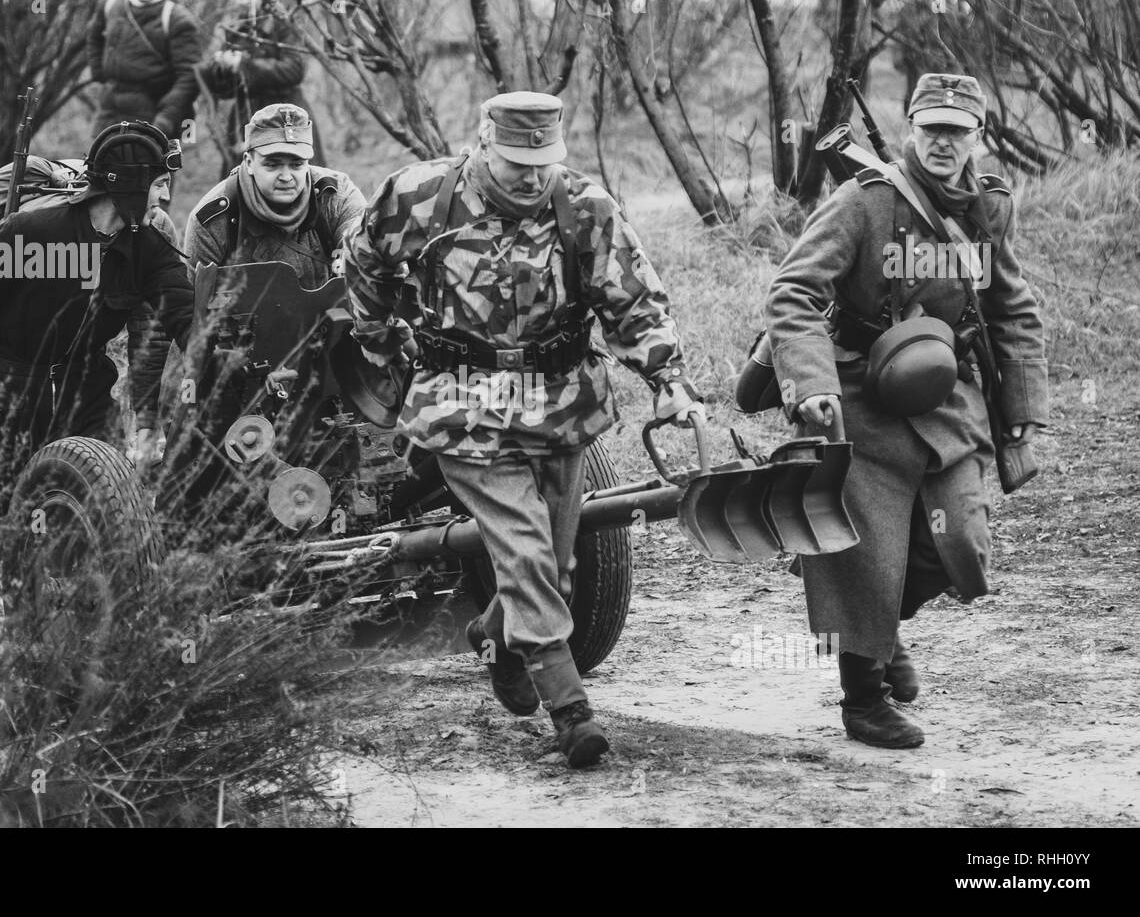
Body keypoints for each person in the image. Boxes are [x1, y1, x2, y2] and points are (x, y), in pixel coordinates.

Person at [344, 91, 706, 769]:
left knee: (556, 566)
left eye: (543, 162)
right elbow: (364, 261)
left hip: (560, 405)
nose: (532, 177)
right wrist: (383, 340)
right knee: (526, 551)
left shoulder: (583, 207)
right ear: (482, 142)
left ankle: (498, 635)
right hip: (463, 406)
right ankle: (571, 711)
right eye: (516, 163)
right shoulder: (421, 196)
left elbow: (633, 300)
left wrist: (671, 383)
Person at [764, 73, 1048, 748]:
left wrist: (1026, 410)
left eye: (957, 131)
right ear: (912, 128)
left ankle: (882, 633)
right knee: (866, 556)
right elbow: (793, 292)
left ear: (978, 136)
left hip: (944, 398)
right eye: (931, 129)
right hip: (858, 397)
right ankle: (863, 701)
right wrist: (812, 383)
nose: (943, 143)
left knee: (960, 549)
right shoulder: (864, 201)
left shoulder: (989, 208)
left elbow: (1013, 309)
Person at [0, 121, 194, 497]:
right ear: (129, 186)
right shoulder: (31, 233)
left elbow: (185, 317)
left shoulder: (148, 249)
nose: (166, 197)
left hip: (88, 392)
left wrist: (217, 354)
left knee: (109, 498)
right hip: (14, 392)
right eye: (159, 185)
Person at [155, 103, 365, 530]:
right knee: (194, 434)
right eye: (273, 163)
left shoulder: (336, 195)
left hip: (323, 337)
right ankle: (182, 536)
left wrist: (353, 258)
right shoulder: (214, 218)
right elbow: (190, 322)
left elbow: (365, 257)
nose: (287, 174)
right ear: (248, 162)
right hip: (236, 350)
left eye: (297, 162)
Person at [198, 0, 326, 174]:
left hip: (288, 117)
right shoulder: (235, 28)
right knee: (241, 187)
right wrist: (221, 68)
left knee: (297, 180)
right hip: (245, 119)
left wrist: (245, 65)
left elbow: (294, 69)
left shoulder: (284, 22)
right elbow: (225, 90)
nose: (243, 1)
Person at [88, 0, 203, 140]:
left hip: (151, 116)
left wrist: (165, 118)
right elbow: (94, 37)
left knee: (142, 166)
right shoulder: (109, 4)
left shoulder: (177, 20)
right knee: (99, 165)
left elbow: (190, 76)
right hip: (108, 112)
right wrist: (99, 74)